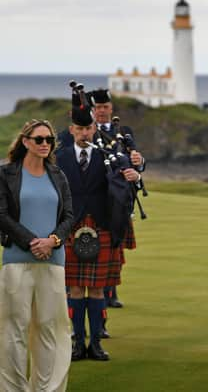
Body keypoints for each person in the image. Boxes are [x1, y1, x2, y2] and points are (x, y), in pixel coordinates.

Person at [56, 94, 141, 361]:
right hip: (70, 227)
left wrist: (136, 174)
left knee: (97, 289)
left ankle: (96, 344)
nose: (83, 133)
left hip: (101, 225)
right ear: (72, 130)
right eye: (79, 129)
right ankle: (77, 343)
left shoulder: (109, 154)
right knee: (76, 289)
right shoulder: (60, 157)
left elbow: (131, 171)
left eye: (88, 129)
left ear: (94, 129)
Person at [0, 119, 74, 391]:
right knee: (12, 331)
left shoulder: (58, 175)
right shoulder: (6, 173)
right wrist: (32, 241)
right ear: (25, 141)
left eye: (49, 140)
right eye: (39, 139)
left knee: (49, 329)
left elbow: (68, 216)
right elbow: (2, 216)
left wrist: (52, 241)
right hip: (16, 261)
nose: (45, 144)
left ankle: (46, 389)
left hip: (53, 262)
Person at [91, 88, 145, 310]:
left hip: (120, 198)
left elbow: (136, 161)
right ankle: (95, 291)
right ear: (91, 110)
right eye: (97, 107)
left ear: (111, 108)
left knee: (116, 250)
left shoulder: (123, 131)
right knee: (98, 250)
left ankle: (111, 291)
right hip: (96, 198)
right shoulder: (85, 132)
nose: (101, 111)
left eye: (105, 107)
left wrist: (139, 163)